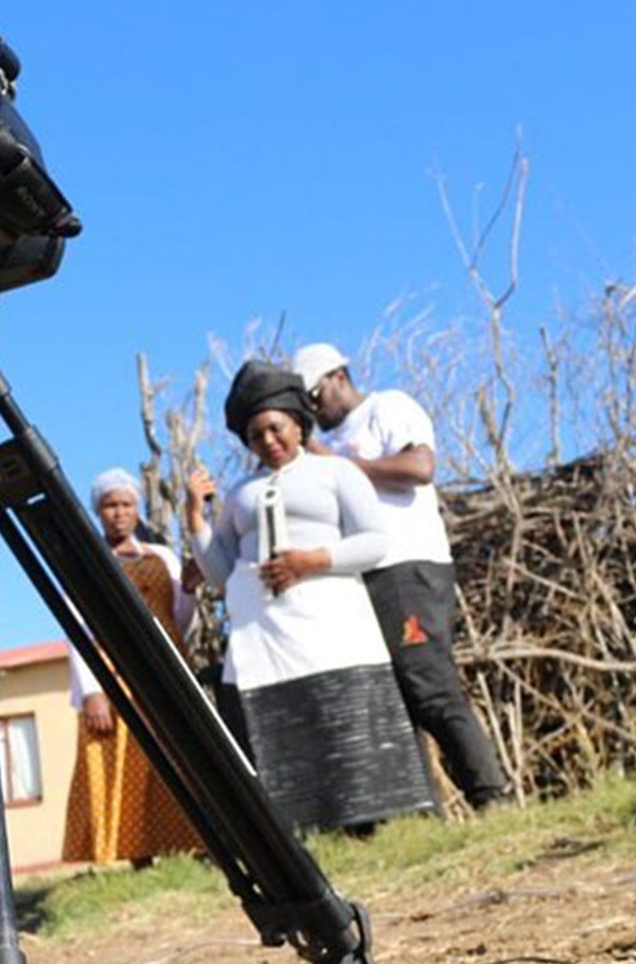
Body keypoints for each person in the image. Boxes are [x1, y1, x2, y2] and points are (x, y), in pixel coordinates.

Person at [184, 360, 437, 834]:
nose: (267, 441)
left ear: (298, 425)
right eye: (255, 435)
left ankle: (371, 823)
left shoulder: (335, 473)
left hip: (330, 623)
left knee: (344, 717)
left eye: (275, 428)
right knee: (285, 726)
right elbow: (221, 575)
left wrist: (310, 560)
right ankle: (301, 826)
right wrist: (195, 518)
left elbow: (374, 542)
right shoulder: (241, 494)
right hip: (265, 634)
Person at [291, 342, 513, 808]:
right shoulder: (320, 449)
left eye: (315, 396)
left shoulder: (387, 408)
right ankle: (419, 812)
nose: (314, 409)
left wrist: (337, 465)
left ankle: (491, 795)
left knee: (428, 683)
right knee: (389, 700)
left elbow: (419, 466)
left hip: (406, 565)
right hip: (358, 577)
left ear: (338, 376)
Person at [61, 469, 204, 867]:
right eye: (110, 506)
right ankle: (135, 853)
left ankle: (194, 841)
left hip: (165, 667)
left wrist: (190, 590)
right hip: (115, 669)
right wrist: (92, 691)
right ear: (98, 511)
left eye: (126, 504)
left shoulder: (163, 557)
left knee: (176, 754)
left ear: (137, 508)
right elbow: (78, 628)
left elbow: (179, 619)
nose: (119, 513)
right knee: (122, 759)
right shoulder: (87, 561)